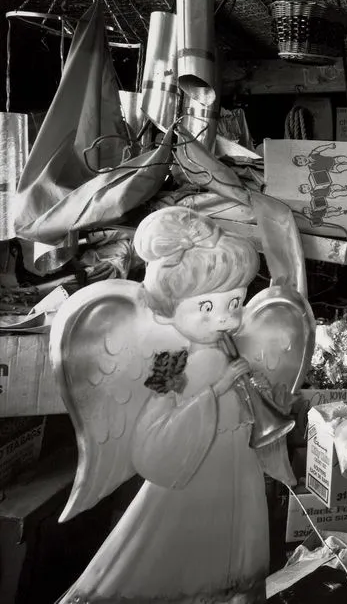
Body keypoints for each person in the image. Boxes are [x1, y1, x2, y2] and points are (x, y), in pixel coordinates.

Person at [58, 207, 268, 604]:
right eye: (208, 308)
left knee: (234, 544)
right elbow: (153, 426)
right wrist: (218, 390)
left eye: (236, 303)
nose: (226, 319)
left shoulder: (233, 348)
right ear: (170, 308)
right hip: (194, 468)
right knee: (176, 551)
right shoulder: (171, 360)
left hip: (236, 460)